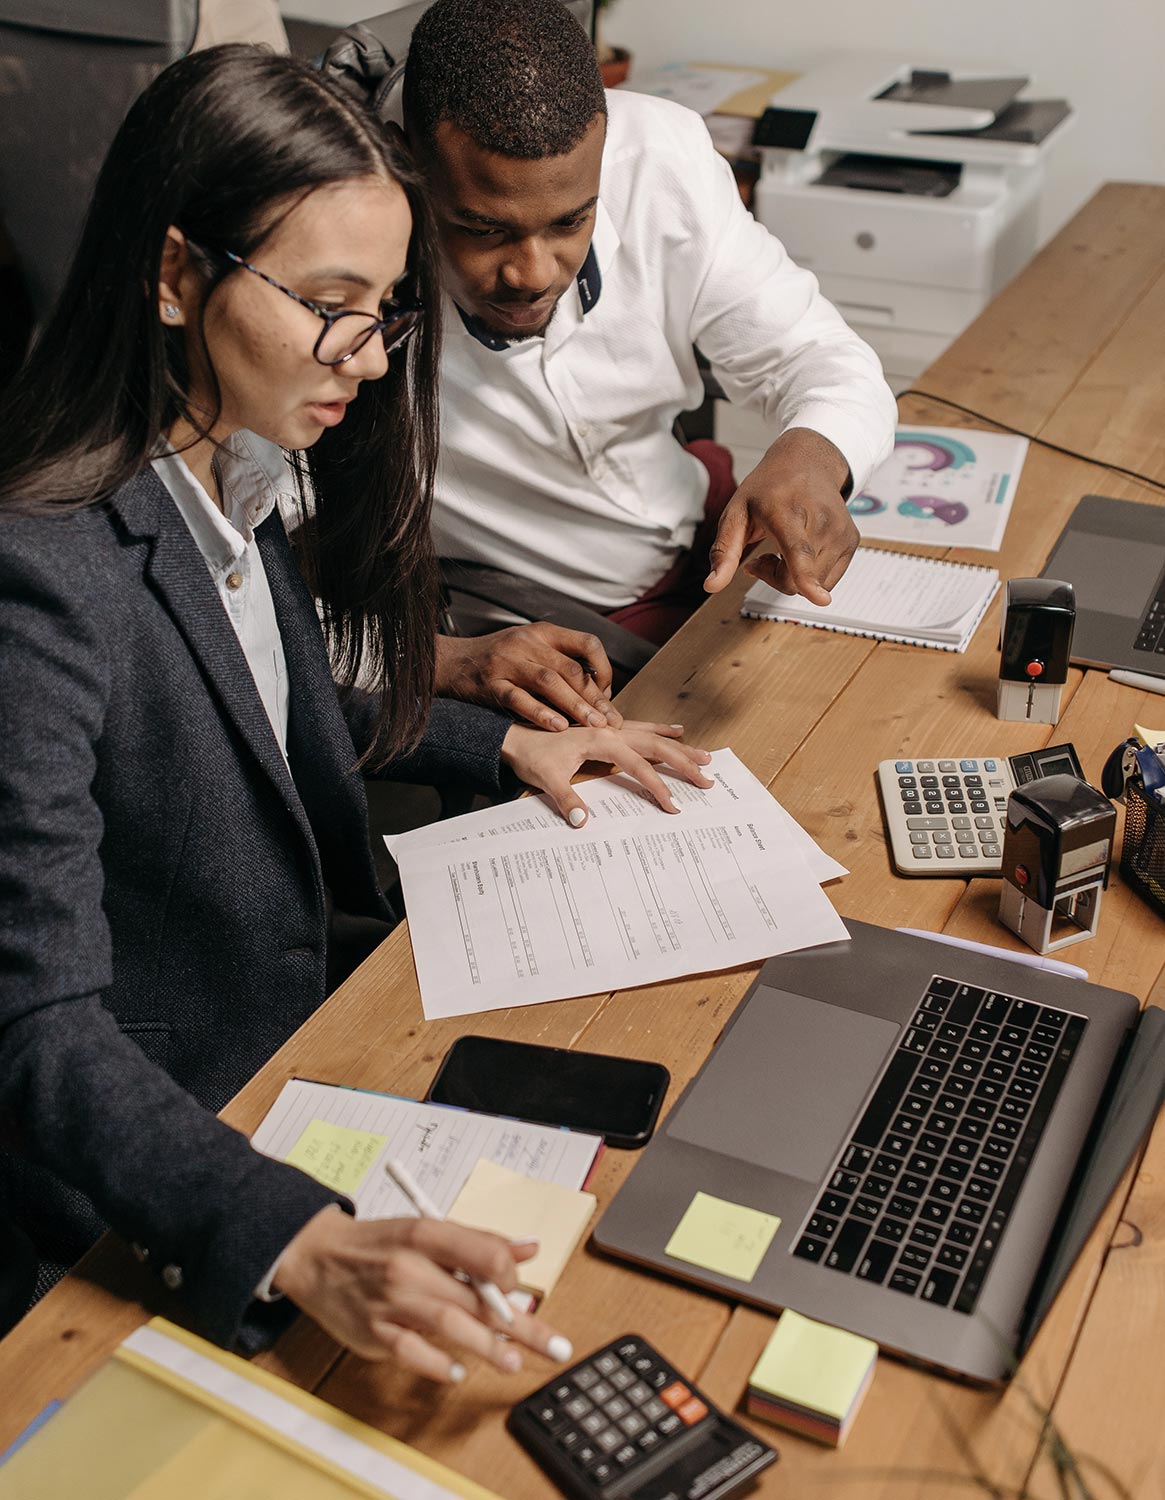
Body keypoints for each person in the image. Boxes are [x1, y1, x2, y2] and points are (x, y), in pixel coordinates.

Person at [0, 44, 713, 1366]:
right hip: (159, 1176)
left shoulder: (231, 459)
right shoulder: (35, 575)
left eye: (386, 308)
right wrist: (300, 1242)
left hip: (308, 1052)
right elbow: (32, 1029)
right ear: (173, 275)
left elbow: (258, 703)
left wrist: (509, 745)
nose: (373, 361)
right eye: (332, 302)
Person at [381, 0, 897, 647]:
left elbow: (818, 355)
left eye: (571, 221)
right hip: (552, 618)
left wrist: (811, 456)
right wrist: (440, 660)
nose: (532, 273)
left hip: (709, 525)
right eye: (484, 229)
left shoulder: (658, 156)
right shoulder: (328, 242)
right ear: (405, 163)